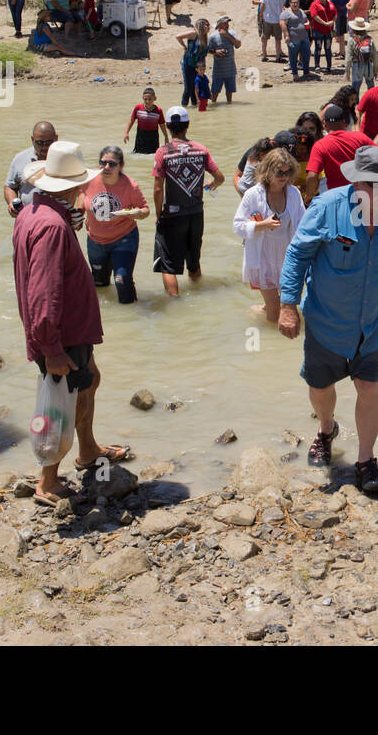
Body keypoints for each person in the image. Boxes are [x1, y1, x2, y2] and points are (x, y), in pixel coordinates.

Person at [278, 145, 378, 495]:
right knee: (321, 387)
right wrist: (288, 306)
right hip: (326, 321)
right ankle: (326, 429)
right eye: (374, 186)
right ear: (357, 184)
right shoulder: (326, 207)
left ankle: (366, 460)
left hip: (372, 323)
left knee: (368, 387)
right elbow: (297, 255)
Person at [14, 141, 132, 506]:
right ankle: (47, 481)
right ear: (72, 185)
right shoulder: (51, 225)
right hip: (60, 333)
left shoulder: (33, 212)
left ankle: (88, 450)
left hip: (68, 328)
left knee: (88, 381)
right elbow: (44, 292)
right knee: (59, 404)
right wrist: (50, 348)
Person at [152, 106, 225, 294]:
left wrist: (158, 214)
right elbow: (220, 178)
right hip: (196, 214)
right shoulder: (201, 150)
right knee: (194, 263)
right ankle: (198, 293)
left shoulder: (163, 152)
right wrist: (209, 185)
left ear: (167, 126)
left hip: (173, 215)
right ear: (188, 125)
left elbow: (158, 188)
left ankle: (175, 303)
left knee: (167, 265)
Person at [233, 148, 306, 323]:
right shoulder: (253, 195)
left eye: (287, 171)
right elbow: (237, 226)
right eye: (278, 171)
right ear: (267, 170)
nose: (283, 176)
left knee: (289, 305)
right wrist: (261, 225)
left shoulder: (293, 193)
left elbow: (303, 224)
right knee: (276, 309)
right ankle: (274, 345)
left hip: (287, 258)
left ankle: (262, 309)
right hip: (262, 258)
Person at [82, 146, 150, 304]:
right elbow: (78, 197)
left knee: (122, 279)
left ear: (121, 166)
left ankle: (131, 316)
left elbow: (145, 210)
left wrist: (138, 214)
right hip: (95, 241)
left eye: (112, 164)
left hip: (124, 239)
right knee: (99, 284)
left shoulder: (130, 186)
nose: (106, 167)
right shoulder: (88, 179)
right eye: (102, 163)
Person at [305, 103, 374, 199]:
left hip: (337, 198)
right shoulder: (360, 137)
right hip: (362, 195)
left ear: (325, 124)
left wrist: (309, 195)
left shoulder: (320, 145)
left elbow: (312, 176)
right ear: (344, 123)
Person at [123, 87, 169, 154]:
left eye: (150, 99)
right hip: (140, 136)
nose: (147, 101)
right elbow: (131, 120)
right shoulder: (138, 108)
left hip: (153, 137)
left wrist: (166, 137)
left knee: (154, 154)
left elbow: (162, 125)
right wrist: (126, 133)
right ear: (142, 98)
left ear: (155, 98)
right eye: (145, 99)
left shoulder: (158, 110)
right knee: (138, 153)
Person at [208, 16, 241, 103]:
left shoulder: (232, 33)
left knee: (230, 93)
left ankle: (229, 107)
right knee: (215, 92)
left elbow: (238, 45)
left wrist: (228, 35)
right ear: (219, 25)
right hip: (218, 70)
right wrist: (216, 51)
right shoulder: (213, 36)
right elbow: (207, 50)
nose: (227, 25)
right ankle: (213, 107)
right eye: (224, 23)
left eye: (227, 23)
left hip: (230, 69)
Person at [281, 0, 313, 81]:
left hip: (304, 37)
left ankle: (306, 71)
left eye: (297, 3)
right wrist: (287, 35)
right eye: (293, 3)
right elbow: (282, 24)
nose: (295, 4)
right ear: (290, 3)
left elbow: (306, 20)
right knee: (293, 56)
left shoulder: (301, 11)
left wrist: (308, 28)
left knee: (307, 54)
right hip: (293, 39)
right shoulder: (286, 13)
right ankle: (295, 74)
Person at [345, 17, 378, 96]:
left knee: (355, 89)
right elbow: (375, 56)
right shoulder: (370, 39)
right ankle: (371, 104)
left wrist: (347, 72)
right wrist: (376, 70)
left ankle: (355, 105)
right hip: (368, 65)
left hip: (357, 65)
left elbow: (348, 58)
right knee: (371, 87)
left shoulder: (351, 40)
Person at [308, 0, 336, 73]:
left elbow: (335, 14)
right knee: (318, 47)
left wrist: (332, 21)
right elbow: (314, 16)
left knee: (328, 48)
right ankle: (317, 66)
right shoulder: (314, 4)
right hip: (318, 30)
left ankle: (329, 66)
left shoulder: (331, 4)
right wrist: (325, 23)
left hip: (328, 30)